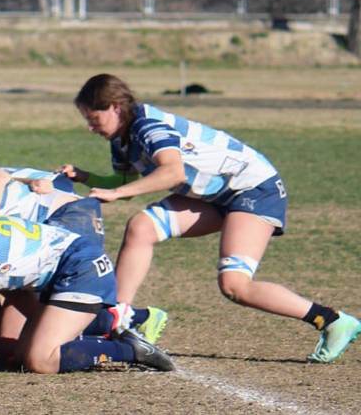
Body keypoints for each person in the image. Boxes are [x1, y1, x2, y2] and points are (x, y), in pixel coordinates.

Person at [64, 73, 360, 364]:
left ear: (115, 106)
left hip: (254, 188)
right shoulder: (122, 139)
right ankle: (122, 319)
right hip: (215, 195)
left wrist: (117, 193)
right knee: (141, 227)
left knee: (235, 285)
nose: (91, 128)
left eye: (93, 119)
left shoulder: (148, 126)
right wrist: (85, 176)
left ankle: (332, 320)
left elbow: (172, 172)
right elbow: (125, 180)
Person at [0, 186, 175, 381]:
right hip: (66, 268)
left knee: (40, 360)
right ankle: (108, 324)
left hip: (80, 269)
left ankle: (130, 350)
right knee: (12, 351)